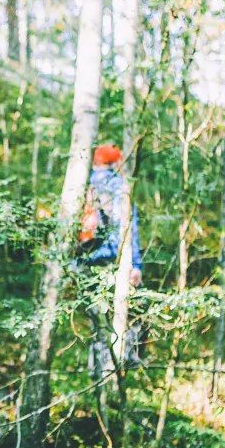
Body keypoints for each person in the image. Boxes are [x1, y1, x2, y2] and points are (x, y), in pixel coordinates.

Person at [78, 144, 144, 374]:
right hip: (113, 257)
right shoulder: (118, 186)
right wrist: (135, 264)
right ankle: (121, 362)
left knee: (97, 316)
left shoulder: (83, 183)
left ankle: (95, 369)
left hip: (86, 259)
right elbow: (128, 228)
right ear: (116, 163)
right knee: (132, 311)